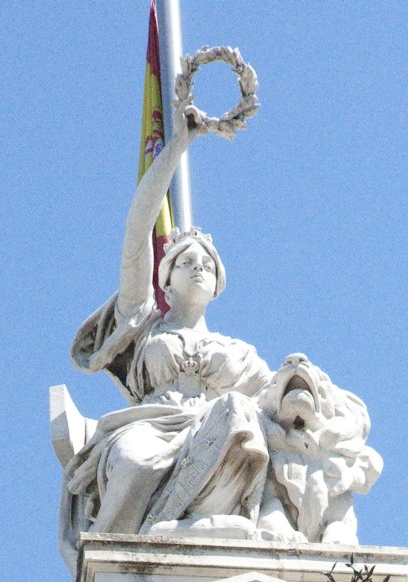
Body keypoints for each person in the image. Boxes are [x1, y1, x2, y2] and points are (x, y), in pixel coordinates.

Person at [62, 93, 272, 546]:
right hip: (153, 424)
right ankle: (129, 546)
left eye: (208, 265)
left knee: (239, 417)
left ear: (218, 285)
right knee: (136, 461)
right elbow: (138, 231)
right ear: (166, 278)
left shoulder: (242, 355)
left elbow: (277, 410)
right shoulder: (144, 326)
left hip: (218, 437)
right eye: (186, 262)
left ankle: (180, 523)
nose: (199, 268)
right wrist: (178, 146)